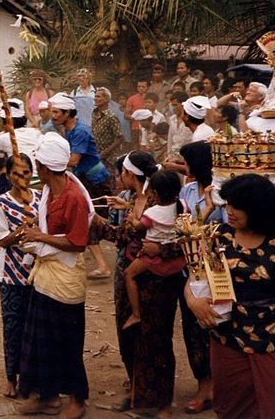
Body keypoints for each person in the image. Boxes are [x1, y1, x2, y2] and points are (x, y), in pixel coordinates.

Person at [184, 174, 275, 419]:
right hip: (226, 336)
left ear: (258, 209)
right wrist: (193, 300)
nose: (229, 211)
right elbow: (195, 278)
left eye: (237, 206)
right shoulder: (217, 237)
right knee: (230, 406)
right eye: (228, 204)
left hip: (271, 338)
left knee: (270, 407)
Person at [99, 150, 181, 418]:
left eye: (121, 172)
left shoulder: (160, 203)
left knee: (157, 340)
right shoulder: (129, 199)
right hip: (129, 273)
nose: (119, 177)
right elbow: (122, 235)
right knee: (129, 337)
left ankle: (162, 403)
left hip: (157, 281)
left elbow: (183, 240)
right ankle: (138, 394)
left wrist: (159, 250)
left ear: (130, 174)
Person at [16, 133, 93, 419]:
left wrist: (41, 236)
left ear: (45, 168)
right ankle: (48, 396)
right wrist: (39, 230)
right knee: (40, 338)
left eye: (37, 165)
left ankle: (77, 399)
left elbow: (78, 242)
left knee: (66, 341)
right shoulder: (52, 190)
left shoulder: (73, 197)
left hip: (65, 277)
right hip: (47, 275)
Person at [48, 92, 114, 280]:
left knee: (91, 219)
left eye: (56, 112)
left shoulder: (80, 132)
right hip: (86, 178)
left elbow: (74, 160)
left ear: (68, 112)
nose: (53, 116)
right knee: (90, 218)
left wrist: (51, 161)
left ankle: (103, 266)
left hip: (95, 180)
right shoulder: (70, 129)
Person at [0, 153, 41, 398]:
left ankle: (32, 377)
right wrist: (25, 229)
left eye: (25, 173)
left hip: (37, 272)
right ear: (8, 175)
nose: (21, 178)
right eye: (15, 173)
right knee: (13, 325)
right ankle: (11, 377)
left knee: (35, 327)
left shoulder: (40, 198)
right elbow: (2, 240)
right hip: (11, 274)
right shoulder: (2, 202)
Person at [176, 141, 218, 413]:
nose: (185, 167)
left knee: (215, 327)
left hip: (216, 270)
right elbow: (184, 228)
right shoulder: (188, 190)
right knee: (193, 331)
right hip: (190, 270)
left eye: (187, 162)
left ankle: (216, 384)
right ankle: (204, 383)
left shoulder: (221, 192)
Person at [121, 169, 186, 330]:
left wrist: (132, 218)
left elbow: (138, 226)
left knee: (129, 274)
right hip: (176, 259)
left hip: (151, 258)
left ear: (155, 193)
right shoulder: (182, 206)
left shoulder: (152, 213)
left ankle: (136, 314)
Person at [0, 98, 41, 196]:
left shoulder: (4, 138)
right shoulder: (37, 133)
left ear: (5, 121)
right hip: (40, 181)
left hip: (22, 183)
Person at [91, 87, 124, 166]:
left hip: (108, 158)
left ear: (106, 100)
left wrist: (105, 153)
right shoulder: (94, 113)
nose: (95, 98)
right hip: (96, 154)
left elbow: (120, 138)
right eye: (95, 96)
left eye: (98, 96)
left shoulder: (111, 116)